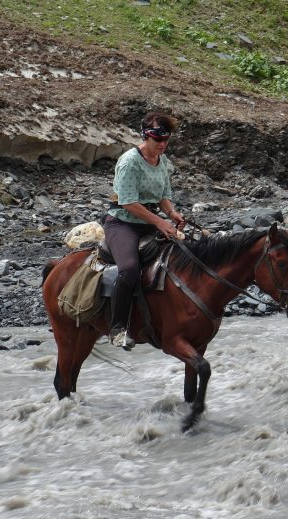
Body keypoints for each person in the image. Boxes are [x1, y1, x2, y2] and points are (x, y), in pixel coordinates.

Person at [103, 111, 186, 350]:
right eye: (157, 140)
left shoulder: (162, 161)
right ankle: (117, 328)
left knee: (185, 255)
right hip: (122, 223)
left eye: (166, 140)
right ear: (146, 137)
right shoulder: (129, 162)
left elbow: (163, 196)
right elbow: (127, 201)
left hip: (148, 222)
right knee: (128, 270)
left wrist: (171, 214)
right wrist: (160, 222)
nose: (162, 145)